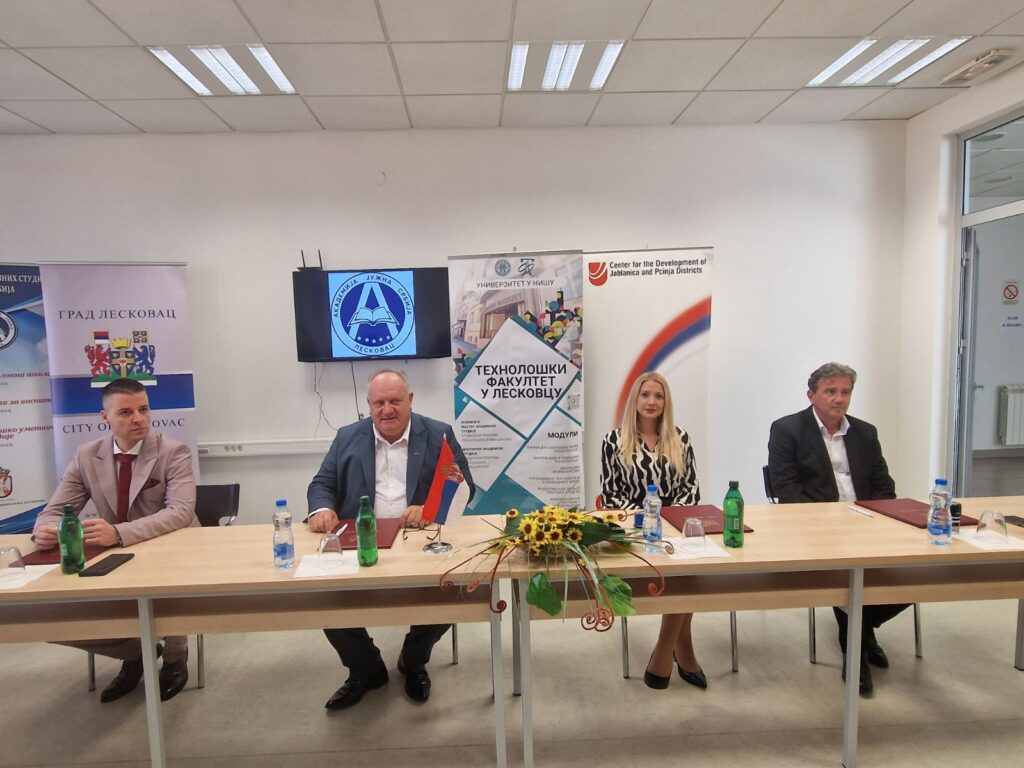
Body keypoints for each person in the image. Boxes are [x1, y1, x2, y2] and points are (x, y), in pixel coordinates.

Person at [307, 368, 473, 710]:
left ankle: (413, 660)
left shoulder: (438, 433)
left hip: (419, 542)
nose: (387, 410)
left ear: (410, 400)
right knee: (323, 598)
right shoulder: (347, 436)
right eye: (379, 402)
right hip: (361, 539)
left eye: (395, 401)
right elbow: (322, 483)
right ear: (368, 404)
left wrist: (430, 508)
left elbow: (463, 486)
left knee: (452, 590)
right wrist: (322, 509)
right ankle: (366, 669)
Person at [32, 378, 197, 702]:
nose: (138, 418)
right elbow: (54, 510)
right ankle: (135, 652)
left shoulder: (173, 451)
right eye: (126, 412)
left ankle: (175, 657)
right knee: (50, 619)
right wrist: (46, 530)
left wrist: (120, 533)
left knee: (168, 587)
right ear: (105, 416)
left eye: (144, 409)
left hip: (170, 547)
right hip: (115, 554)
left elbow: (180, 512)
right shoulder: (87, 455)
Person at [767, 361, 908, 695]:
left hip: (866, 524)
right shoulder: (787, 429)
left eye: (845, 392)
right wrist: (831, 522)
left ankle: (863, 628)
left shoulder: (865, 432)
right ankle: (855, 654)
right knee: (850, 572)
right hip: (815, 528)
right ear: (811, 395)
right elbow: (786, 489)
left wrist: (878, 520)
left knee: (915, 574)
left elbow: (884, 486)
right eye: (830, 391)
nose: (839, 398)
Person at [599, 371, 704, 691]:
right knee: (680, 577)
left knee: (687, 572)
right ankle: (682, 648)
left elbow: (691, 490)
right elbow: (610, 494)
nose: (652, 402)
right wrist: (646, 519)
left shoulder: (680, 438)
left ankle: (665, 649)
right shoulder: (614, 440)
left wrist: (667, 521)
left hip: (673, 527)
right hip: (633, 529)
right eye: (645, 395)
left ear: (665, 402)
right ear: (635, 399)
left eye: (659, 396)